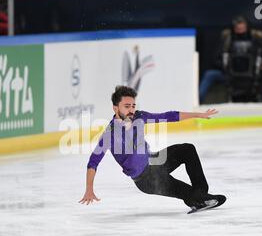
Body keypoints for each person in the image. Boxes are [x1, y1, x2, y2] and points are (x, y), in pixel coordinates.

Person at [79, 85, 226, 214]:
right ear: (115, 108)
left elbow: (167, 116)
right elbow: (93, 162)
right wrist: (89, 189)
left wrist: (197, 114)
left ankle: (201, 195)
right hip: (146, 179)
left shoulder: (139, 117)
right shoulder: (110, 134)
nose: (131, 110)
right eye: (127, 106)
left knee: (187, 149)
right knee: (185, 192)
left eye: (133, 106)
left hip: (156, 162)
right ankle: (198, 199)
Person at [199, 16, 262, 103]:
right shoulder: (227, 41)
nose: (240, 31)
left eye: (242, 28)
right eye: (238, 29)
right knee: (209, 74)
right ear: (234, 29)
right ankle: (198, 101)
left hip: (253, 74)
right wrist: (226, 66)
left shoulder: (256, 40)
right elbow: (215, 59)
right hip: (230, 75)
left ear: (247, 28)